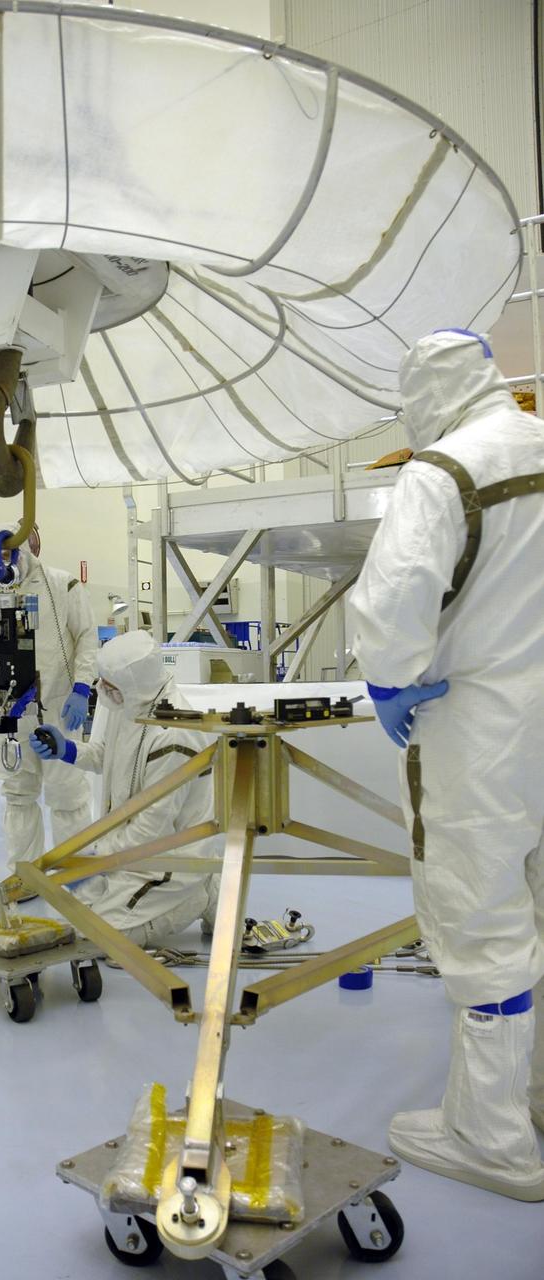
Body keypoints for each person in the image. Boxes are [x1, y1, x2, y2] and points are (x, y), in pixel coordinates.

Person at [348, 329, 544, 1201]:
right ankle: (530, 1096)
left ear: (425, 391)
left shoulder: (444, 471)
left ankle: (490, 1138)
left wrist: (388, 679)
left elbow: (393, 602)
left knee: (482, 923)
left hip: (477, 738)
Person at [29, 629, 220, 946]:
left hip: (168, 856)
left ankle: (201, 893)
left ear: (133, 684)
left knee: (105, 939)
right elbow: (106, 755)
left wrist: (94, 857)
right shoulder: (130, 702)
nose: (101, 691)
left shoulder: (174, 734)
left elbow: (151, 829)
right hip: (127, 849)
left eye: (109, 685)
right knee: (76, 916)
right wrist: (68, 749)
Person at [0, 522, 98, 870]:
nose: (4, 562)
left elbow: (86, 637)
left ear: (25, 551)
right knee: (18, 796)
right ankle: (24, 875)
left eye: (8, 554)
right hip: (9, 713)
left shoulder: (61, 584)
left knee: (66, 794)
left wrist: (82, 688)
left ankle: (76, 871)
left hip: (57, 710)